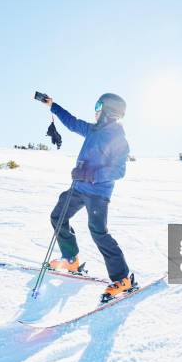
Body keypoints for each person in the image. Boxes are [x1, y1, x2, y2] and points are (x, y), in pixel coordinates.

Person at [43, 93, 132, 300]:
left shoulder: (118, 139)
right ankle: (71, 258)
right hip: (78, 188)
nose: (96, 109)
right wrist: (52, 105)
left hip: (98, 193)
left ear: (109, 110)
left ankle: (122, 279)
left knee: (98, 232)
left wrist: (91, 175)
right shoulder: (92, 130)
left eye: (99, 105)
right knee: (58, 217)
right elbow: (72, 122)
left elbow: (119, 170)